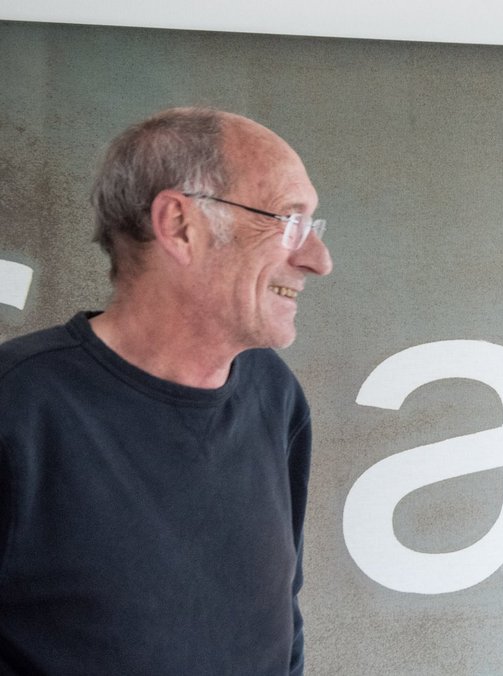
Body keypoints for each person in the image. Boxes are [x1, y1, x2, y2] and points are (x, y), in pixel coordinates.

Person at [0, 107, 333, 674]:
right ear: (179, 225)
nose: (317, 260)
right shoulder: (18, 406)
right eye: (287, 220)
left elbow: (283, 624)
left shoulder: (275, 395)